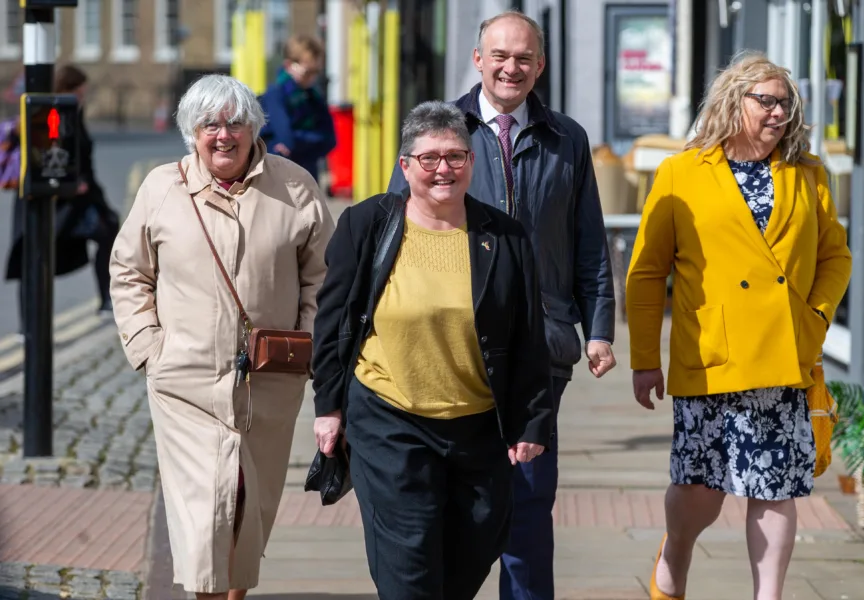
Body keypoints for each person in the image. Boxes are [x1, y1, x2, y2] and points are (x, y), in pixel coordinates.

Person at [387, 13, 617, 599]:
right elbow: (395, 234)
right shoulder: (439, 128)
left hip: (539, 345)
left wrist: (599, 326)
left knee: (529, 501)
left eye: (523, 58)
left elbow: (587, 238)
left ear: (539, 66)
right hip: (451, 344)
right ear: (478, 59)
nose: (511, 68)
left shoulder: (567, 137)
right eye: (500, 56)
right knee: (455, 502)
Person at [626, 52, 852, 600]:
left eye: (786, 104)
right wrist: (643, 359)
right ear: (734, 101)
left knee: (775, 488)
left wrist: (815, 317)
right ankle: (675, 554)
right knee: (700, 490)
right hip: (711, 355)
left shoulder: (808, 173)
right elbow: (647, 271)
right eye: (767, 101)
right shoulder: (682, 172)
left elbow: (835, 258)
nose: (779, 113)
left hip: (783, 356)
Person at [312, 100, 554, 599]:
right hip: (390, 420)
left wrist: (532, 421)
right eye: (429, 158)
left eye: (456, 157)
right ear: (406, 166)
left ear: (471, 162)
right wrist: (328, 408)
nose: (443, 169)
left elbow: (528, 336)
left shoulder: (503, 237)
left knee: (474, 549)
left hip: (479, 424)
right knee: (409, 563)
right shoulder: (366, 225)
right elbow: (333, 321)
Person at [109, 74, 334, 600]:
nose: (223, 135)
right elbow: (128, 270)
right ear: (192, 132)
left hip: (270, 381)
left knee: (250, 502)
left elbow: (325, 277)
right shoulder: (162, 187)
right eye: (209, 124)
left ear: (253, 127)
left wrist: (306, 342)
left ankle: (235, 591)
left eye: (234, 122)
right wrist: (148, 345)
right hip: (183, 381)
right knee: (204, 509)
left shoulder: (295, 184)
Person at [4, 64, 119, 329]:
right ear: (66, 90)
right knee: (32, 256)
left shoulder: (72, 113)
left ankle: (106, 300)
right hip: (48, 201)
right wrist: (65, 181)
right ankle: (29, 327)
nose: (83, 98)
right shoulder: (48, 114)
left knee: (109, 229)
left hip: (78, 201)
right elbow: (42, 157)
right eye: (80, 92)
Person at [258, 34, 336, 182]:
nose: (312, 78)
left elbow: (330, 140)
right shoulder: (275, 95)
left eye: (316, 72)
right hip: (279, 177)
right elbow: (286, 139)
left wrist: (296, 141)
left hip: (308, 174)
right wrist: (311, 141)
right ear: (288, 65)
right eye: (307, 72)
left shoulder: (314, 97)